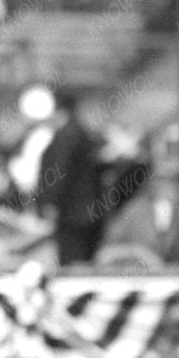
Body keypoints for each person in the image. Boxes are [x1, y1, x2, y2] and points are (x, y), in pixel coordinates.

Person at [36, 88, 110, 263]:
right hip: (89, 214)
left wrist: (48, 202)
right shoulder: (80, 133)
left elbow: (58, 171)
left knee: (72, 265)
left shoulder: (65, 136)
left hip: (73, 217)